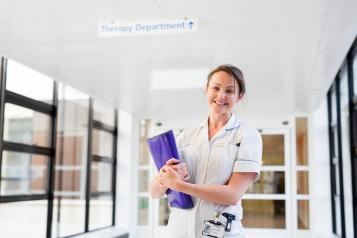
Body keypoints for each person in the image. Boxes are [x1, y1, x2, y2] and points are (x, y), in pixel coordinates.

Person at [149, 64, 262, 238]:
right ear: (206, 90)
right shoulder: (185, 137)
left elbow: (232, 195)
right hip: (179, 232)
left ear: (239, 96)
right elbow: (154, 192)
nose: (221, 95)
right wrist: (165, 176)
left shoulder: (247, 136)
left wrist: (179, 185)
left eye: (229, 91)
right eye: (215, 88)